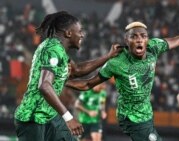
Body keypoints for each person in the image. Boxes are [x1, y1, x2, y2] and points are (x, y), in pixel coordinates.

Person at [65, 21, 179, 141]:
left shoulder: (154, 47)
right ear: (127, 40)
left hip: (146, 114)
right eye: (134, 36)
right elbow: (88, 83)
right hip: (131, 117)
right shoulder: (117, 62)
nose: (139, 39)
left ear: (147, 39)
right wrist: (63, 82)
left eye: (143, 36)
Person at [14, 11, 121, 141]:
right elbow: (44, 86)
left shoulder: (60, 51)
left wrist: (108, 56)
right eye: (80, 31)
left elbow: (77, 70)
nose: (82, 34)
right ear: (68, 33)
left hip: (49, 116)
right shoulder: (52, 49)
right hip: (33, 118)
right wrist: (68, 117)